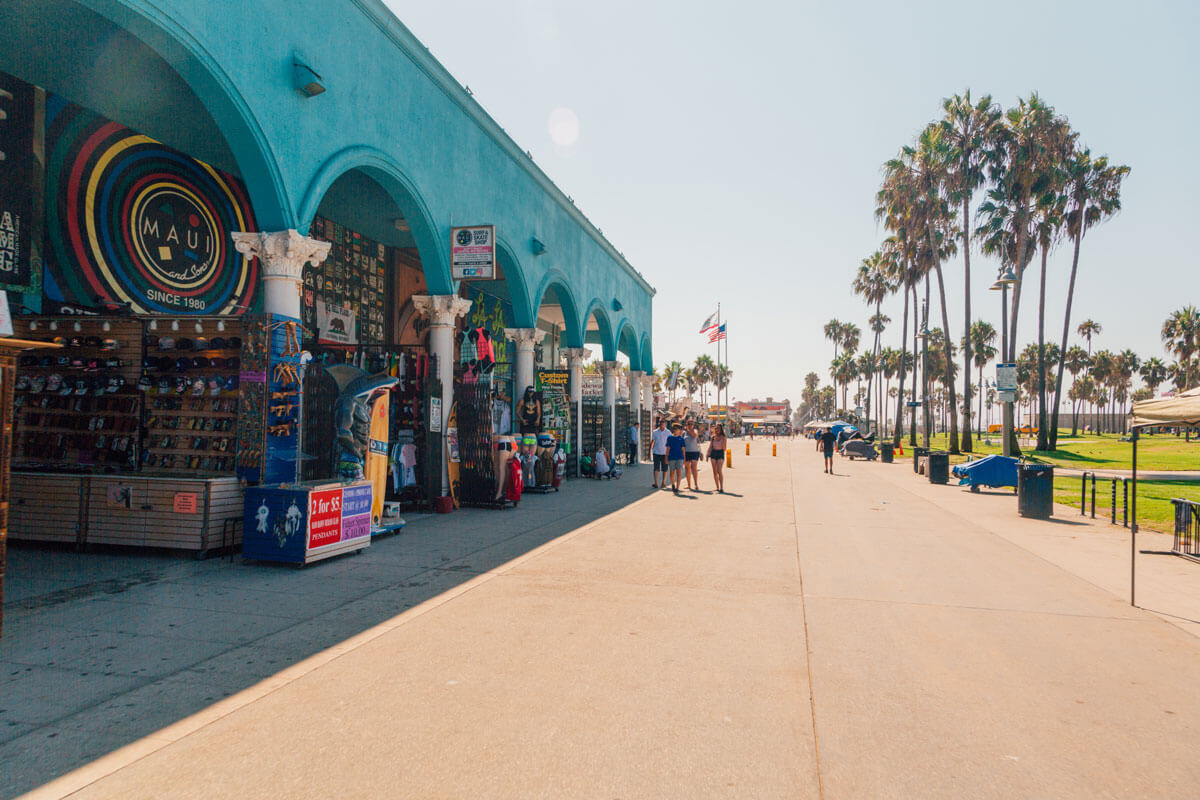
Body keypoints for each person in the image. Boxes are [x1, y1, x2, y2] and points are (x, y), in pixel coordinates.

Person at [665, 423, 687, 494]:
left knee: (679, 473)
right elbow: (668, 449)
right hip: (671, 457)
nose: (675, 430)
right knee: (672, 473)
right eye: (674, 429)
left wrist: (684, 459)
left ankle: (677, 487)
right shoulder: (670, 438)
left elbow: (683, 450)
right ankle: (673, 485)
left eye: (677, 429)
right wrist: (666, 457)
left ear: (679, 430)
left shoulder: (681, 439)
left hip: (679, 457)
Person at [683, 419, 702, 490]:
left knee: (694, 468)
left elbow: (694, 436)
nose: (690, 425)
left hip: (694, 452)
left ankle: (696, 484)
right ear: (686, 425)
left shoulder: (695, 431)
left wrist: (689, 431)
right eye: (688, 424)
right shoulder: (684, 433)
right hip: (686, 452)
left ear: (693, 425)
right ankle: (689, 485)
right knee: (687, 468)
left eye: (691, 424)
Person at [708, 424, 727, 493]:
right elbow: (710, 446)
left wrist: (722, 442)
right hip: (713, 453)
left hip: (720, 453)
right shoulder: (713, 437)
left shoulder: (724, 437)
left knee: (719, 470)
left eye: (718, 428)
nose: (717, 430)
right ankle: (717, 487)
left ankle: (721, 487)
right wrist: (707, 454)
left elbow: (724, 449)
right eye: (716, 428)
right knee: (714, 472)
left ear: (721, 429)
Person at [651, 418, 670, 488]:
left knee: (664, 469)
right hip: (656, 452)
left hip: (665, 453)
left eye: (663, 422)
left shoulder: (668, 432)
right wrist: (650, 450)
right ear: (659, 423)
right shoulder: (655, 432)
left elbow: (670, 443)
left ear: (665, 424)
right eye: (661, 422)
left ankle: (663, 482)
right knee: (656, 468)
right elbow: (653, 441)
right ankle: (655, 482)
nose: (662, 424)